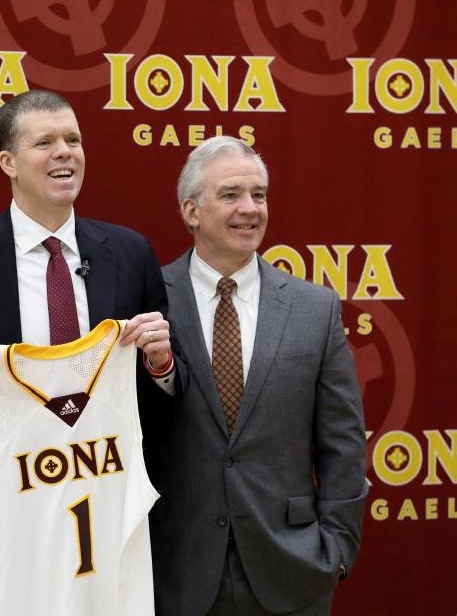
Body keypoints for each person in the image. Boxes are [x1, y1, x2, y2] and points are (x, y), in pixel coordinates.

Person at [0, 89, 184, 615]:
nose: (65, 152)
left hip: (101, 512)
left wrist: (161, 364)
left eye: (74, 140)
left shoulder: (129, 253)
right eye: (45, 142)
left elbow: (167, 393)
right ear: (7, 162)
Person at [149, 136, 367, 616]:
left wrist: (335, 552)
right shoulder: (147, 301)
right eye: (230, 194)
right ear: (191, 211)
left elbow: (343, 443)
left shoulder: (316, 309)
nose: (250, 208)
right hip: (171, 573)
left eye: (259, 194)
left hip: (291, 570)